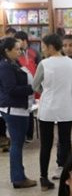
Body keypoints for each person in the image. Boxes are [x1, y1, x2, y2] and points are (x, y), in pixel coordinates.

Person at [33, 34, 72, 191]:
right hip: (66, 106)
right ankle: (68, 175)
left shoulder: (44, 64)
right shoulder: (71, 63)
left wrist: (46, 91)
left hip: (48, 107)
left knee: (46, 144)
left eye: (44, 46)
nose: (42, 49)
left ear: (51, 47)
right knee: (66, 142)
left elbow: (35, 85)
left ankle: (44, 178)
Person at [0, 37, 36, 188]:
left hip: (20, 108)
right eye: (17, 49)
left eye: (21, 49)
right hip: (13, 109)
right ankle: (18, 178)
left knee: (17, 143)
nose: (20, 51)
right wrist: (33, 88)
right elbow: (11, 90)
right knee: (16, 144)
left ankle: (19, 176)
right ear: (7, 50)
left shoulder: (13, 63)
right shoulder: (5, 66)